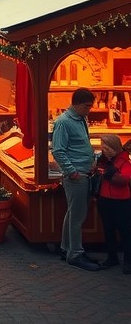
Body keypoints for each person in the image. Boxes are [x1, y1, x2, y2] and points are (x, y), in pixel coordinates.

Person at [51, 87, 98, 270]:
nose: (89, 109)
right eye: (87, 106)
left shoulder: (81, 119)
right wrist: (72, 172)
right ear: (77, 104)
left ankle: (66, 248)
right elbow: (58, 150)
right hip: (76, 176)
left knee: (72, 214)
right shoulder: (63, 122)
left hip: (83, 173)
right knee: (78, 216)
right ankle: (75, 254)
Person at [96, 133, 131, 272]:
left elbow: (124, 180)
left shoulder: (124, 162)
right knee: (108, 230)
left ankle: (128, 261)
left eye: (105, 146)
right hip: (105, 199)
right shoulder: (104, 160)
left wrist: (108, 173)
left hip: (121, 201)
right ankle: (112, 257)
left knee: (125, 232)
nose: (103, 149)